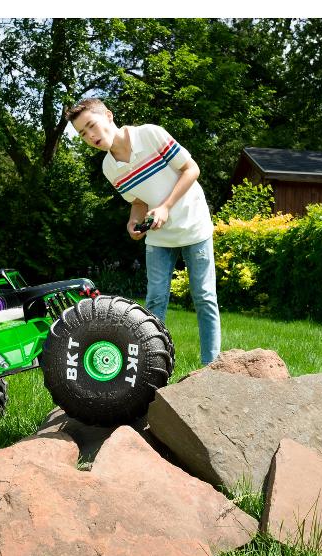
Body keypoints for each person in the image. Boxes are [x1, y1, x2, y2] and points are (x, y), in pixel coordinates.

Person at [65, 98, 221, 365]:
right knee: (155, 300)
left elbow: (191, 169)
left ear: (109, 116)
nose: (90, 136)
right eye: (82, 133)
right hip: (159, 233)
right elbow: (138, 201)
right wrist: (133, 221)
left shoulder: (150, 134)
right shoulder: (109, 168)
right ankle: (153, 365)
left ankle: (212, 365)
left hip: (193, 223)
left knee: (204, 296)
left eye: (91, 125)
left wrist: (166, 207)